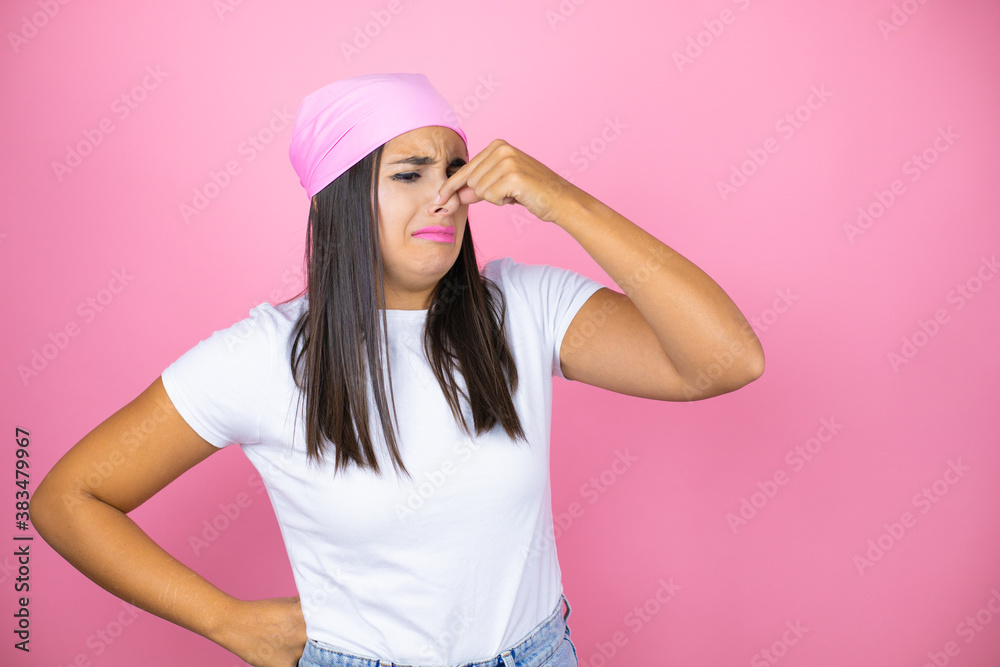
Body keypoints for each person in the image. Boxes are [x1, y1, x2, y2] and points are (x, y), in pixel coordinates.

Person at [31, 72, 765, 667]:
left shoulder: (524, 306)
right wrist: (228, 622)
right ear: (346, 199)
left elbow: (726, 359)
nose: (444, 194)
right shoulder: (263, 357)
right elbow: (70, 498)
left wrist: (564, 202)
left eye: (454, 170)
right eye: (409, 173)